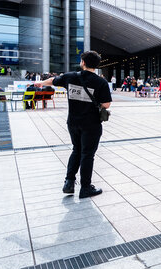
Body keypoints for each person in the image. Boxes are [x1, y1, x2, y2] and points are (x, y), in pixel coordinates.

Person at [35, 51, 112, 199]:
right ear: (96, 65)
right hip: (92, 124)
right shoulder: (100, 82)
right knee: (87, 154)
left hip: (73, 122)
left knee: (76, 150)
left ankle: (69, 183)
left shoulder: (71, 77)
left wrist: (41, 83)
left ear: (83, 62)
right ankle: (85, 188)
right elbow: (106, 104)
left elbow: (53, 80)